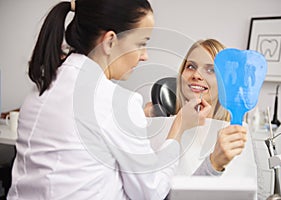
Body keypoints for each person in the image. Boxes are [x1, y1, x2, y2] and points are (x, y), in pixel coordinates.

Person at [7, 1, 212, 200]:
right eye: (141, 44)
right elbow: (151, 192)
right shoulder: (116, 102)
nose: (144, 56)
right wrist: (179, 128)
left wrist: (136, 118)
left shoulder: (42, 88)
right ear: (110, 41)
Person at [145, 39, 256, 177]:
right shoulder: (161, 126)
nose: (196, 75)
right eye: (191, 66)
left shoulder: (237, 132)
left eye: (211, 70)